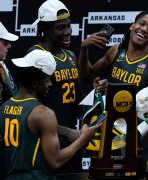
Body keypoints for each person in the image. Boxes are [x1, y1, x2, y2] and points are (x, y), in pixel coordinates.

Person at [78, 10, 148, 175]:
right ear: (132, 26)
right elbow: (87, 76)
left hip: (137, 142)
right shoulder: (116, 52)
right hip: (109, 136)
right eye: (141, 24)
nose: (144, 29)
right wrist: (84, 49)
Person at [0, 49, 100, 179]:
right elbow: (55, 161)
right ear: (34, 83)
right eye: (47, 80)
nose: (50, 84)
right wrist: (83, 138)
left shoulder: (5, 107)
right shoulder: (43, 113)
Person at [29, 0, 103, 173]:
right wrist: (67, 132)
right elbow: (29, 111)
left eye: (68, 26)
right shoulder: (36, 56)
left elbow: (76, 101)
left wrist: (95, 91)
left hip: (72, 145)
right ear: (45, 29)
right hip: (47, 145)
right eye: (60, 28)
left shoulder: (70, 55)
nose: (68, 31)